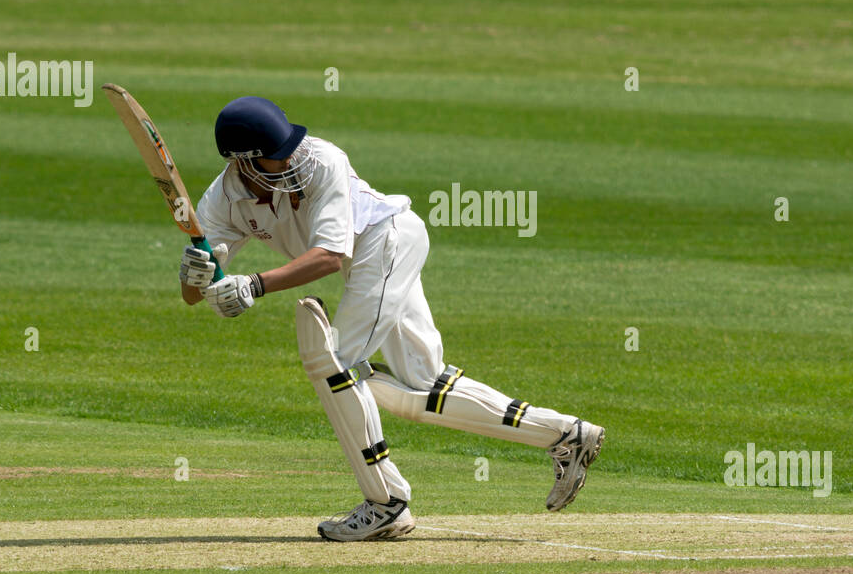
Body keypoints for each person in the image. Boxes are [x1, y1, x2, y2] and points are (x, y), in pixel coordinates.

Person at [178, 96, 605, 541]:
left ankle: (386, 503)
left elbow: (327, 257)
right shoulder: (223, 200)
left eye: (288, 146)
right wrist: (197, 275)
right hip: (372, 258)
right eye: (275, 154)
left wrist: (254, 285)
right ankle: (566, 434)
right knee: (420, 385)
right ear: (242, 163)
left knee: (332, 364)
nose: (290, 158)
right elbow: (195, 295)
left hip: (385, 242)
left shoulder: (323, 161)